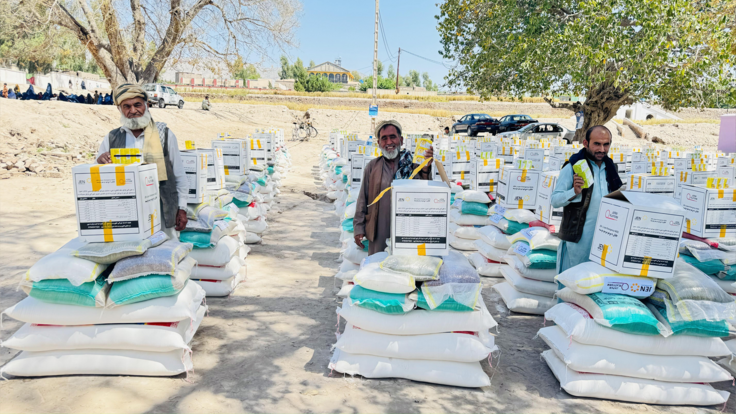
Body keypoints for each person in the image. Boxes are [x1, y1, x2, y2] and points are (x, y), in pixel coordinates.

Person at [96, 83, 189, 236]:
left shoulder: (164, 134)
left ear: (146, 105)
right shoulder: (112, 137)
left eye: (137, 104)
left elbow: (179, 175)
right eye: (126, 106)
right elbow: (97, 176)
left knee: (164, 253)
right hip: (125, 212)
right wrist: (100, 162)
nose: (133, 110)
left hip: (161, 209)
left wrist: (182, 208)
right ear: (119, 109)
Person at [353, 120, 434, 255]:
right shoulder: (372, 167)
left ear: (401, 140)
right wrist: (358, 228)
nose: (389, 142)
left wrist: (426, 168)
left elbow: (425, 191)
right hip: (379, 230)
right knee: (377, 266)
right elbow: (363, 199)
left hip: (408, 229)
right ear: (378, 143)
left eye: (393, 137)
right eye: (384, 138)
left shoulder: (414, 166)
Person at [551, 125, 622, 273]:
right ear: (585, 143)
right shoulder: (572, 167)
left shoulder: (611, 168)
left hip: (605, 238)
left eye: (606, 144)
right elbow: (555, 200)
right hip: (579, 239)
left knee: (595, 283)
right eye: (597, 144)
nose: (602, 149)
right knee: (572, 283)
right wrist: (574, 192)